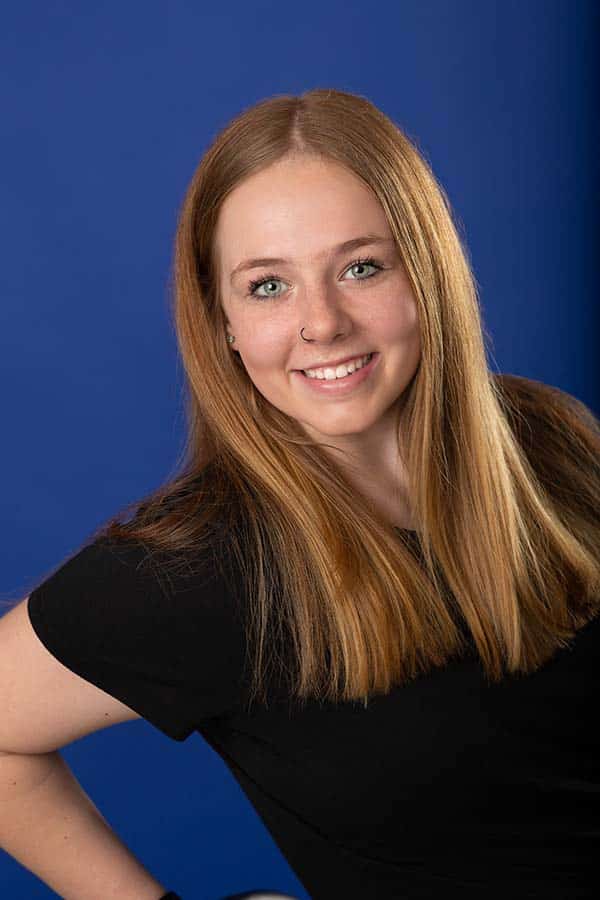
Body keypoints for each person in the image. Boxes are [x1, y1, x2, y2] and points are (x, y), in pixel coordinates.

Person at [1, 88, 599, 900]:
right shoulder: (197, 566)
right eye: (268, 286)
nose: (322, 323)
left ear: (427, 272)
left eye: (362, 267)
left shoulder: (553, 439)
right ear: (222, 320)